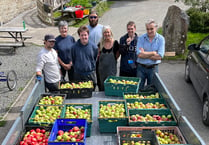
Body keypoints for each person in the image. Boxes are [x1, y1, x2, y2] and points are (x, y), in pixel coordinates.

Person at [136, 19, 165, 90]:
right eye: (147, 29)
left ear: (156, 28)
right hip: (141, 68)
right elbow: (139, 55)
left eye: (151, 29)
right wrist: (153, 53)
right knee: (138, 89)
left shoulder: (161, 39)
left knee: (152, 90)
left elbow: (159, 56)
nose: (149, 31)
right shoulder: (141, 38)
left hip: (153, 68)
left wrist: (144, 53)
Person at [98, 25, 120, 91]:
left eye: (108, 32)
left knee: (112, 88)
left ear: (111, 33)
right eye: (105, 32)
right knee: (102, 89)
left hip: (111, 71)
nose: (107, 34)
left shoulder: (115, 44)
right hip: (102, 72)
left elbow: (117, 55)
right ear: (103, 34)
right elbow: (98, 56)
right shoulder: (100, 44)